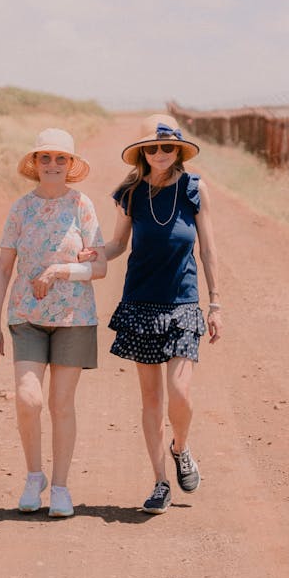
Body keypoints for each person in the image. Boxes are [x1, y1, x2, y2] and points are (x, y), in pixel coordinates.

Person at [102, 113, 221, 514]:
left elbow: (207, 249)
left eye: (166, 147)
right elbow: (118, 244)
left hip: (184, 303)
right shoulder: (131, 193)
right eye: (151, 148)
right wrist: (93, 252)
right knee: (151, 399)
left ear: (178, 149)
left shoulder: (194, 188)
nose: (159, 154)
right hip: (140, 303)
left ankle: (180, 447)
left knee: (180, 394)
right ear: (141, 153)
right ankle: (159, 482)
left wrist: (216, 302)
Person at [0, 128, 106, 517]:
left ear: (70, 166)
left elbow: (100, 266)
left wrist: (60, 270)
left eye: (60, 159)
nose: (52, 165)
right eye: (45, 158)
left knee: (61, 404)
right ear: (35, 164)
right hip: (27, 317)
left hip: (75, 318)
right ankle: (33, 476)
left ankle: (60, 487)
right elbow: (4, 268)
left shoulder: (82, 205)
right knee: (28, 399)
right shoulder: (21, 209)